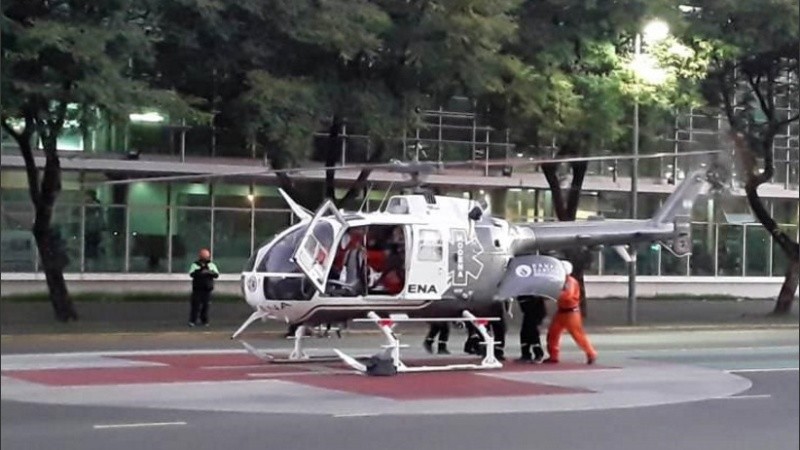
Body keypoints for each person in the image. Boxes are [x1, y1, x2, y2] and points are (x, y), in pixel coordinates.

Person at [544, 261, 597, 365]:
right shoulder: (562, 281)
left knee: (578, 335)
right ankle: (553, 355)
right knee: (553, 334)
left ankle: (591, 353)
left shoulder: (570, 282)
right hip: (562, 311)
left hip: (571, 313)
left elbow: (567, 295)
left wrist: (554, 294)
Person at [188, 248, 219, 327]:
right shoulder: (195, 264)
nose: (205, 258)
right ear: (200, 256)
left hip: (207, 289)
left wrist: (208, 272)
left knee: (206, 306)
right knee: (195, 305)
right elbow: (191, 274)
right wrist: (201, 272)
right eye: (203, 256)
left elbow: (216, 274)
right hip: (197, 289)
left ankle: (204, 320)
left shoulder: (211, 265)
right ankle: (193, 320)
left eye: (206, 256)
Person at [517, 295, 547, 363]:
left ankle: (538, 354)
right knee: (524, 333)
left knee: (532, 333)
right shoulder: (522, 295)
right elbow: (523, 308)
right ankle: (526, 354)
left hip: (535, 313)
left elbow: (527, 307)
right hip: (528, 313)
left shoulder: (532, 294)